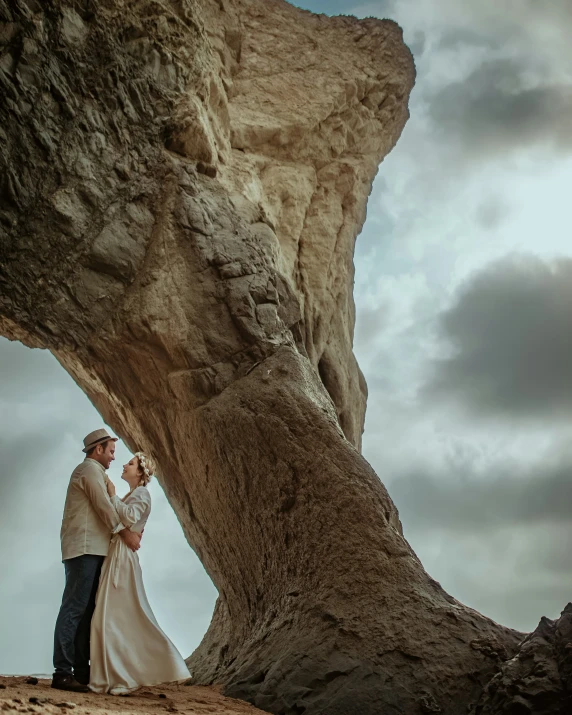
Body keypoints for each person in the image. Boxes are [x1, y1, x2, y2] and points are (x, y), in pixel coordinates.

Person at [89, 451, 189, 695]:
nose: (124, 464)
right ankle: (115, 677)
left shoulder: (142, 493)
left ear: (141, 473)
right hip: (117, 554)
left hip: (123, 558)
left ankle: (128, 678)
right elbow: (124, 520)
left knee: (115, 618)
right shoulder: (132, 494)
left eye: (131, 463)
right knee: (107, 618)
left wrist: (111, 496)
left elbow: (130, 516)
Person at [52, 429, 142, 693]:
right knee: (74, 609)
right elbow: (104, 507)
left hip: (92, 548)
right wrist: (126, 535)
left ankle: (80, 672)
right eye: (111, 451)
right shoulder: (89, 470)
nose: (114, 457)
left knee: (86, 612)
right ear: (98, 449)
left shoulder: (96, 473)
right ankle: (62, 672)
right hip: (84, 548)